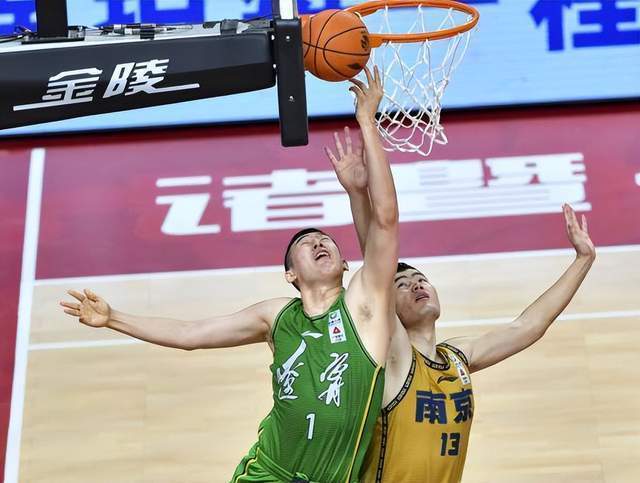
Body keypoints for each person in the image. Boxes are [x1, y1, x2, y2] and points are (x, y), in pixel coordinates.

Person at [60, 67, 399, 483]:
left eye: (325, 240)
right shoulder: (276, 317)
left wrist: (367, 126)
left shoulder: (364, 308)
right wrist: (113, 318)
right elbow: (191, 334)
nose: (318, 243)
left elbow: (385, 221)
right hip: (266, 474)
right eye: (305, 243)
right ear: (290, 274)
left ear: (346, 264)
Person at [324, 128, 596, 483]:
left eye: (420, 279)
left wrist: (583, 260)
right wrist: (359, 194)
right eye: (402, 285)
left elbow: (528, 326)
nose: (416, 285)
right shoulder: (395, 356)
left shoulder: (457, 358)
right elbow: (377, 261)